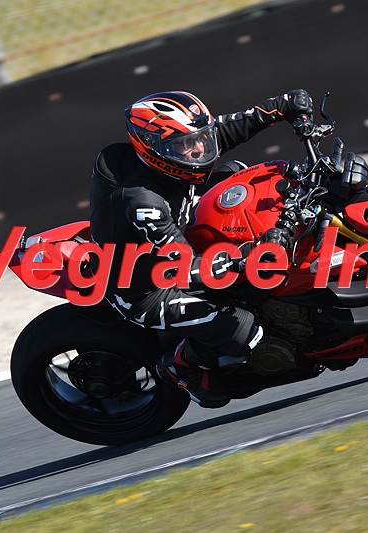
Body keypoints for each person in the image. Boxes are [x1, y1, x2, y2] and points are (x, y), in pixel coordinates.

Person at [88, 89, 313, 408]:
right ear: (153, 148)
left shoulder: (176, 153)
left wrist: (282, 107)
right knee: (243, 328)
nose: (199, 149)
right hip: (148, 289)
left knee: (238, 175)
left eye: (199, 138)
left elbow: (224, 130)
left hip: (176, 231)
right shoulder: (143, 203)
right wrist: (248, 255)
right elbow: (185, 269)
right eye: (186, 144)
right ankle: (181, 367)